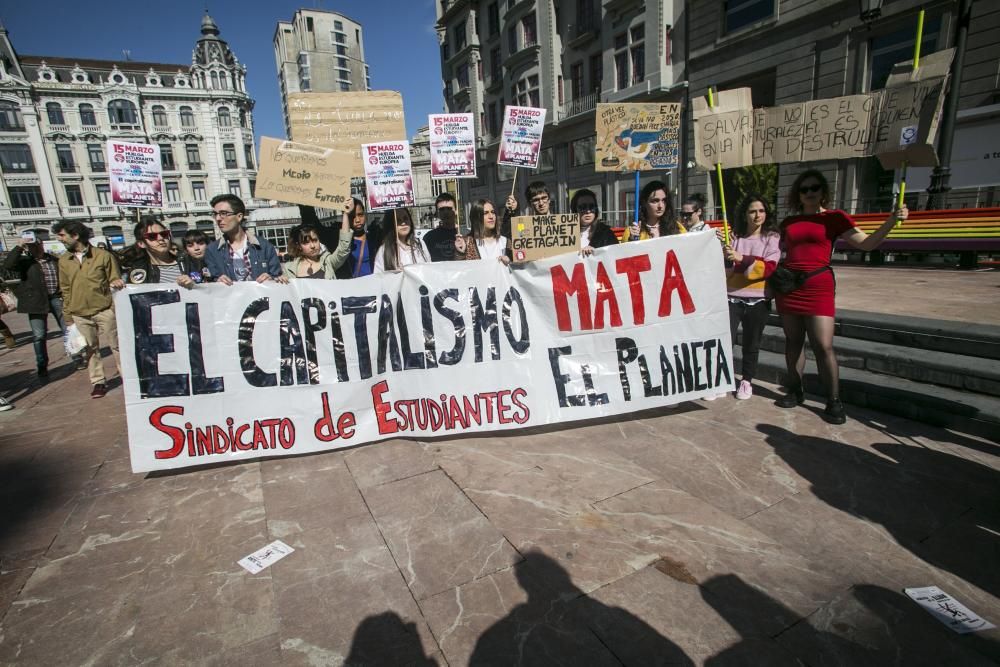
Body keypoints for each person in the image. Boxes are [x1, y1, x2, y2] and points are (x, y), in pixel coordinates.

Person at [775, 169, 908, 423]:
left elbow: (867, 244)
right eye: (804, 189)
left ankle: (834, 399)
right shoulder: (788, 223)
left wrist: (891, 221)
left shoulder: (835, 218)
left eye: (814, 188)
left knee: (823, 345)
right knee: (793, 342)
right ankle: (795, 389)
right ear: (798, 195)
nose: (810, 193)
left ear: (823, 191)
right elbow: (772, 251)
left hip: (818, 285)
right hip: (790, 286)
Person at [53, 220, 123, 399]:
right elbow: (65, 288)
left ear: (75, 235)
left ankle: (126, 376)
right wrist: (67, 314)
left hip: (104, 309)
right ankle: (98, 382)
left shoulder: (103, 256)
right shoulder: (63, 260)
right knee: (90, 348)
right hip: (79, 312)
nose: (59, 239)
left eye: (62, 235)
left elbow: (115, 280)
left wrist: (114, 308)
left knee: (117, 345)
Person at [721, 194, 781, 400]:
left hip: (758, 300)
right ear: (745, 214)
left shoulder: (772, 238)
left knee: (751, 343)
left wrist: (742, 258)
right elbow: (728, 270)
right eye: (753, 211)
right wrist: (726, 255)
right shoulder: (735, 238)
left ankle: (746, 380)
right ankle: (724, 378)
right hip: (731, 297)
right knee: (726, 340)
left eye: (761, 210)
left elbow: (769, 267)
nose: (757, 215)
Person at [2, 235, 81, 376]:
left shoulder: (54, 260)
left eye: (37, 245)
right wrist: (19, 246)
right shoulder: (25, 262)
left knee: (68, 330)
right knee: (39, 335)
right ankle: (42, 365)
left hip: (56, 298)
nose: (34, 248)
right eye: (31, 246)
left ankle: (77, 358)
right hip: (36, 301)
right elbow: (7, 266)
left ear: (42, 245)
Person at [204, 194, 284, 284]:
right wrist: (217, 281)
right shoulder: (212, 251)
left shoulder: (264, 246)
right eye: (215, 214)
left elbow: (277, 277)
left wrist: (272, 279)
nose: (218, 218)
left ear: (239, 217)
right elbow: (210, 282)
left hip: (261, 297)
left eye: (223, 213)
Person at [121, 217, 207, 288]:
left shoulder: (190, 261)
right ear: (141, 244)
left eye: (164, 234)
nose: (160, 238)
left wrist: (194, 285)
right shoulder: (138, 270)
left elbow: (208, 289)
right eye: (152, 236)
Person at [282, 208, 352, 280]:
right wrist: (279, 282)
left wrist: (345, 214)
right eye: (306, 243)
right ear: (298, 246)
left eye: (315, 240)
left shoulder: (328, 262)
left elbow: (343, 248)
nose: (312, 246)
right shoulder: (289, 269)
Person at [336, 198, 382, 279]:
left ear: (365, 214)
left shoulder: (375, 237)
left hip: (375, 285)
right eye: (352, 216)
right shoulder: (343, 243)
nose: (357, 220)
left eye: (360, 215)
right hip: (354, 287)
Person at [374, 208, 431, 272]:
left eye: (405, 218)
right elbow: (378, 278)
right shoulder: (384, 250)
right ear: (391, 224)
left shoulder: (420, 244)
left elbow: (429, 270)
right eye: (398, 220)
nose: (403, 223)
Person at [455, 199, 510, 264]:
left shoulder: (505, 242)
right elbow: (459, 270)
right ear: (476, 218)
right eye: (485, 213)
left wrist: (509, 262)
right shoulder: (466, 242)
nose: (491, 216)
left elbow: (520, 266)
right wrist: (460, 254)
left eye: (492, 212)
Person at [570, 188, 618, 255]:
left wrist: (596, 252)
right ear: (575, 210)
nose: (588, 211)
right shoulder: (566, 233)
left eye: (592, 207)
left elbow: (616, 256)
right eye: (583, 207)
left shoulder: (606, 233)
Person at [422, 192, 460, 262]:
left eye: (449, 208)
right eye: (441, 209)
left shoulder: (465, 234)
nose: (446, 212)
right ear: (437, 213)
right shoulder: (429, 237)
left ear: (456, 211)